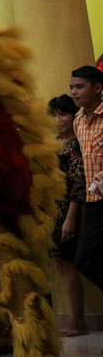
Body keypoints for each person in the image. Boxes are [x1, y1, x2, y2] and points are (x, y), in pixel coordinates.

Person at [47, 94, 87, 336]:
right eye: (53, 114)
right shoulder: (53, 143)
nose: (58, 119)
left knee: (67, 263)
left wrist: (70, 218)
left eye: (63, 113)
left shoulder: (76, 146)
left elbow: (77, 185)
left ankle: (79, 321)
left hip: (66, 210)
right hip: (51, 209)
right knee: (58, 264)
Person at [70, 66, 103, 301]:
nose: (73, 92)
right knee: (85, 260)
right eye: (71, 87)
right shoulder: (78, 121)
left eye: (79, 87)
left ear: (98, 88)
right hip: (94, 202)